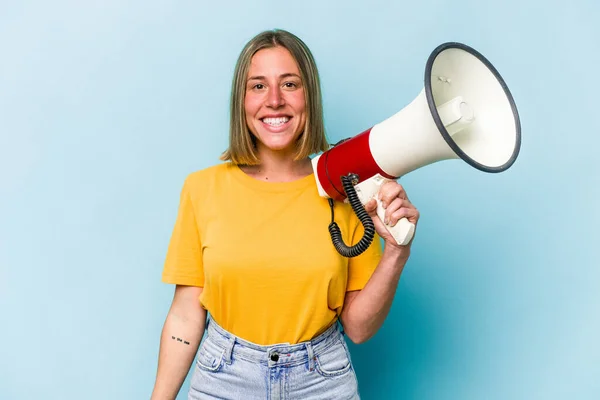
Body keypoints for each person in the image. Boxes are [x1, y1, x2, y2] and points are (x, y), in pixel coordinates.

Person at [150, 29, 420, 400]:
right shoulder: (202, 189)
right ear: (241, 101)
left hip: (320, 379)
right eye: (258, 86)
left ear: (309, 96)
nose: (274, 101)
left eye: (289, 84)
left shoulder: (347, 191)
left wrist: (396, 253)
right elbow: (185, 314)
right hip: (224, 377)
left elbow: (358, 329)